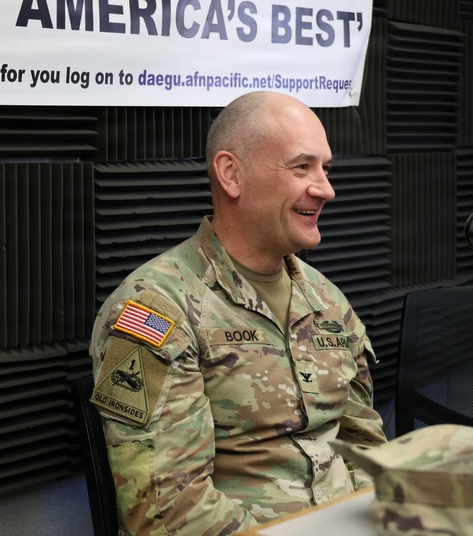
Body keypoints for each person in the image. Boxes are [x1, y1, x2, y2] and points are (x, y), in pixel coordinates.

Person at [88, 91, 387, 535]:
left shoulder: (327, 299)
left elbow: (364, 445)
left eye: (326, 168)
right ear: (231, 174)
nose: (326, 188)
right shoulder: (155, 310)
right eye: (302, 166)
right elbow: (167, 511)